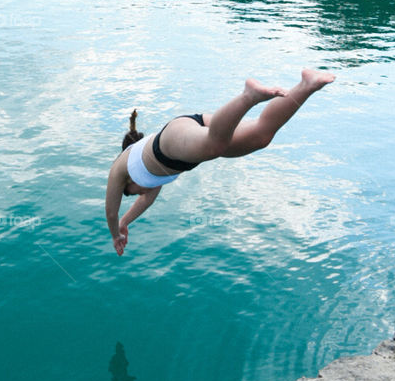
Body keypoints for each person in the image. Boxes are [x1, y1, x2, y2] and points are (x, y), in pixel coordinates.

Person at [105, 70, 335, 255]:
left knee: (214, 146)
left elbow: (110, 212)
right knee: (260, 136)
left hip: (171, 140)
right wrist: (127, 222)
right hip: (192, 131)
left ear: (128, 183)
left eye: (132, 193)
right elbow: (145, 202)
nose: (139, 193)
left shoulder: (119, 169)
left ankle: (249, 96)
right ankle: (307, 85)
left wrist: (115, 235)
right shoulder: (153, 182)